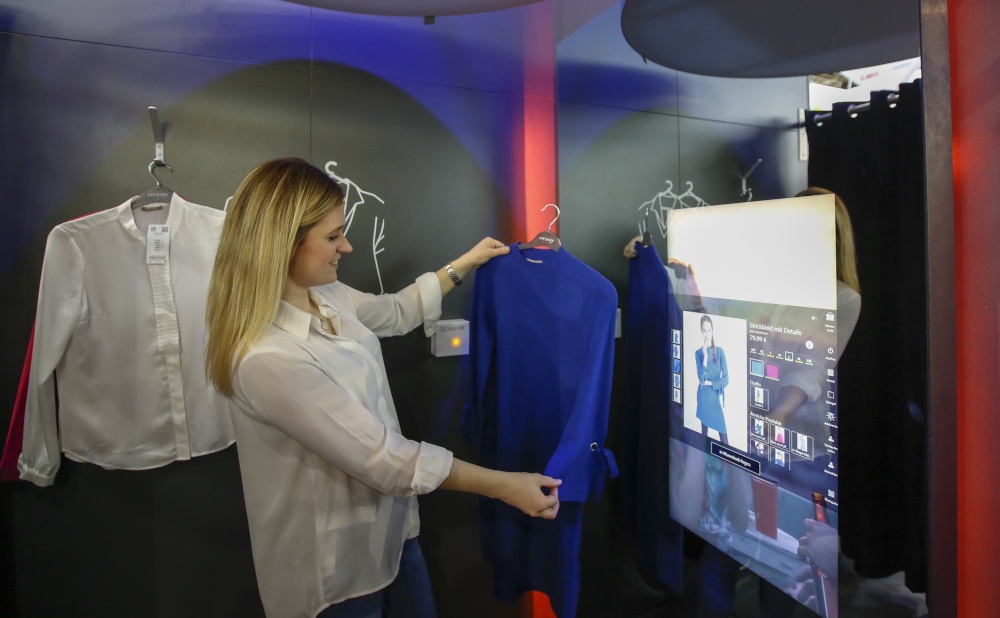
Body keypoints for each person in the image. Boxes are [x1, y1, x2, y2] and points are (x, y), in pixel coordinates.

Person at [205, 158, 561, 618]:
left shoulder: (327, 296)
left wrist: (466, 263)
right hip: (334, 573)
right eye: (332, 237)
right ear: (282, 243)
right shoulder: (267, 360)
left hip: (390, 534)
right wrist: (505, 486)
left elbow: (396, 311)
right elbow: (385, 460)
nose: (347, 246)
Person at [695, 315, 730, 445]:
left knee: (724, 436)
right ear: (701, 331)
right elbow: (701, 378)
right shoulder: (698, 353)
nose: (707, 334)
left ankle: (727, 463)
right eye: (704, 330)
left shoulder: (720, 352)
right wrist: (705, 357)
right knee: (703, 434)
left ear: (713, 331)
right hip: (703, 397)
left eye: (709, 330)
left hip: (714, 397)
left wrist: (711, 383)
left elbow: (726, 379)